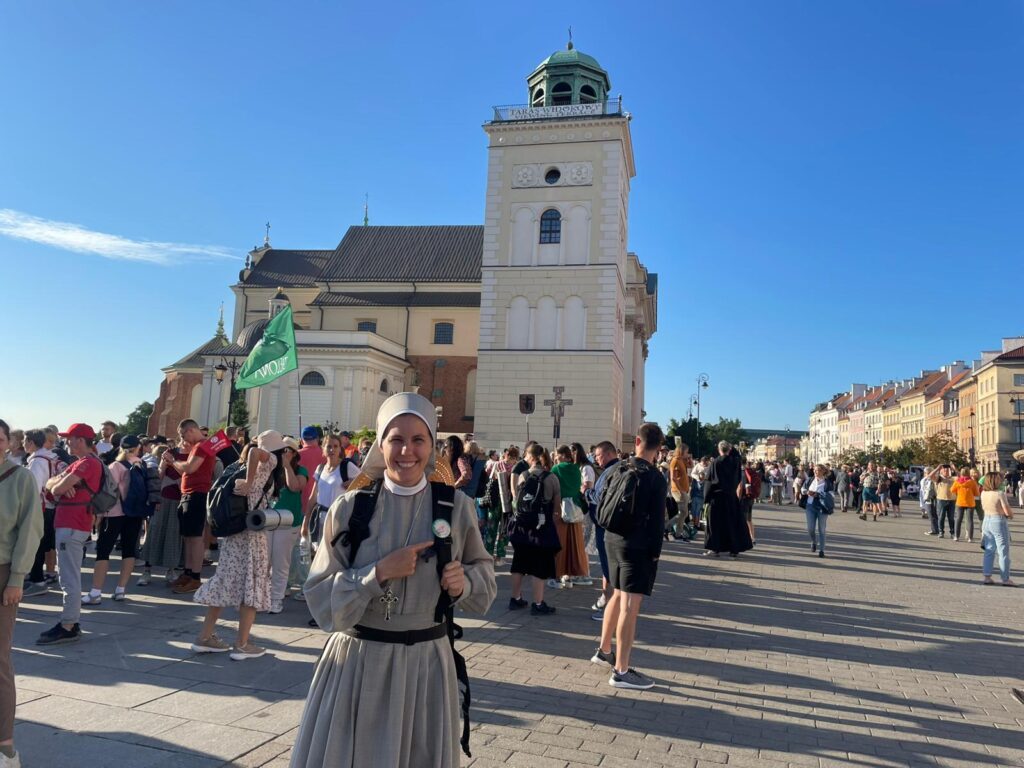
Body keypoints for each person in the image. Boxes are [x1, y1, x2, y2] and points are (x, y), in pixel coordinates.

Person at [291, 392, 496, 768]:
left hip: (426, 666)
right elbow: (319, 598)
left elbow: (484, 576)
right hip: (358, 662)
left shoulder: (455, 507)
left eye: (418, 440)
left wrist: (463, 582)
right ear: (380, 445)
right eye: (396, 439)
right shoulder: (350, 507)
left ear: (432, 446)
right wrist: (378, 573)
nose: (407, 450)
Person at [190, 430, 281, 659]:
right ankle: (242, 644)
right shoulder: (270, 459)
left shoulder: (237, 466)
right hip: (252, 533)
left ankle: (205, 637)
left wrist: (248, 478)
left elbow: (251, 451)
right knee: (253, 582)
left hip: (234, 533)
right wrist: (251, 482)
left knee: (224, 580)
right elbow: (257, 452)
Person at [591, 423, 667, 691]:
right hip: (637, 546)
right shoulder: (656, 478)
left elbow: (597, 499)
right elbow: (658, 523)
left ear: (636, 441)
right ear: (658, 449)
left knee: (616, 594)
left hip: (611, 538)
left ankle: (604, 650)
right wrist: (655, 556)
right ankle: (621, 670)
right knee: (629, 608)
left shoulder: (618, 467)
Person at [0, 419, 43, 768]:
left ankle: (5, 746)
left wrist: (16, 578)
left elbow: (30, 531)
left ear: (8, 443)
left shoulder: (21, 479)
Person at [39, 423, 102, 646]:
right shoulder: (82, 463)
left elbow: (54, 490)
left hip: (72, 524)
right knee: (69, 575)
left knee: (69, 577)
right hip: (72, 523)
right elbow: (51, 483)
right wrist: (59, 483)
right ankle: (70, 622)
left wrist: (59, 484)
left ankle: (69, 624)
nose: (66, 442)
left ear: (80, 440)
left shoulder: (86, 463)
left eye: (70, 438)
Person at [82, 436, 146, 603]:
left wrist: (99, 515)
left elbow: (108, 493)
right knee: (129, 550)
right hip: (135, 513)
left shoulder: (115, 466)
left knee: (103, 551)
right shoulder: (142, 464)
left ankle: (95, 592)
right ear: (138, 448)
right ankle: (121, 590)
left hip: (114, 513)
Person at [162, 419, 217, 593]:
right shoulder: (198, 447)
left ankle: (195, 577)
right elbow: (185, 470)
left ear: (191, 430)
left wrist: (172, 460)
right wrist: (174, 463)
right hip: (189, 493)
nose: (182, 438)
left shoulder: (202, 446)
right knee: (188, 537)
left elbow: (190, 468)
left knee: (195, 538)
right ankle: (188, 573)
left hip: (197, 494)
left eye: (183, 434)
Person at [508, 443, 562, 614]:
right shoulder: (551, 477)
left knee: (518, 563)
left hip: (522, 527)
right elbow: (557, 507)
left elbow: (516, 500)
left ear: (530, 457)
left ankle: (515, 599)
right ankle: (538, 604)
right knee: (539, 567)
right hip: (542, 528)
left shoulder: (523, 475)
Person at [266, 437, 308, 614]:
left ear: (293, 453)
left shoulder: (301, 470)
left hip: (289, 521)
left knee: (281, 562)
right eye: (280, 451)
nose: (283, 454)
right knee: (264, 561)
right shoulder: (271, 469)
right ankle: (263, 597)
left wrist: (286, 466)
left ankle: (276, 599)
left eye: (286, 451)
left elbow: (295, 486)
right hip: (269, 519)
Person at [140, 440, 186, 585]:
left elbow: (186, 477)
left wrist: (174, 463)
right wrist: (164, 465)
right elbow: (158, 478)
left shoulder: (188, 458)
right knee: (154, 533)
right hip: (163, 500)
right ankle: (147, 571)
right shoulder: (166, 457)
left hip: (179, 501)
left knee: (174, 535)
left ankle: (170, 571)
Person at [23, 429, 62, 598]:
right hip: (50, 506)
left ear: (31, 442)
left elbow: (34, 488)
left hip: (39, 507)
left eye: (25, 441)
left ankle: (38, 581)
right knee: (41, 544)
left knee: (35, 545)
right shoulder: (51, 458)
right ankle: (35, 576)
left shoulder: (38, 461)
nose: (23, 444)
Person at [702, 441, 753, 558]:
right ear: (729, 450)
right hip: (731, 496)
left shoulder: (715, 462)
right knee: (732, 523)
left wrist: (706, 498)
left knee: (715, 524)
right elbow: (739, 475)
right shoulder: (735, 462)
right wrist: (731, 448)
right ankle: (734, 549)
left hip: (717, 497)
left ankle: (715, 549)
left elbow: (709, 482)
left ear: (719, 450)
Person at [586, 441, 618, 621]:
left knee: (609, 568)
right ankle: (606, 601)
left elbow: (597, 497)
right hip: (617, 527)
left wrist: (586, 492)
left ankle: (609, 610)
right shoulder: (623, 469)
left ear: (606, 454)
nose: (596, 459)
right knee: (611, 570)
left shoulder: (608, 472)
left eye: (597, 455)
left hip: (605, 526)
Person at [551, 444, 590, 588]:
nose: (555, 457)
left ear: (561, 455)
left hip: (561, 510)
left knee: (560, 544)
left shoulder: (556, 469)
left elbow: (554, 488)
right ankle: (571, 575)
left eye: (556, 454)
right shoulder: (576, 468)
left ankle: (557, 574)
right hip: (575, 509)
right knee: (574, 544)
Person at [979, 472, 1014, 586]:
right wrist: (1011, 515)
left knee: (989, 550)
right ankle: (1005, 578)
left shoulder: (983, 493)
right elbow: (1006, 510)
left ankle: (987, 576)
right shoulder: (999, 493)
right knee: (1003, 550)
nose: (1001, 481)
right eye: (999, 479)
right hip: (998, 520)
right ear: (995, 481)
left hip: (987, 520)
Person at [805, 464, 831, 557]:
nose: (816, 472)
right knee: (810, 528)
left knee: (821, 529)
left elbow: (831, 495)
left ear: (823, 471)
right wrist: (806, 492)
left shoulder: (827, 482)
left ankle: (822, 550)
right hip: (810, 506)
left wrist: (818, 495)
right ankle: (813, 541)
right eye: (815, 470)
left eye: (818, 470)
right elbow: (803, 489)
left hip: (822, 508)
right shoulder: (810, 480)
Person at [951, 467, 982, 543]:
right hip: (970, 503)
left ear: (961, 473)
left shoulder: (957, 481)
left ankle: (956, 536)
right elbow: (977, 493)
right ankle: (970, 538)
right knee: (970, 520)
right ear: (969, 473)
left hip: (960, 502)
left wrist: (958, 492)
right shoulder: (972, 482)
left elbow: (952, 490)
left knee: (958, 519)